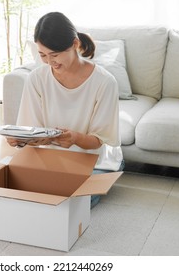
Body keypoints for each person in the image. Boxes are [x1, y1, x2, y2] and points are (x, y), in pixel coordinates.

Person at [7, 12, 124, 208]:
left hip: (96, 161)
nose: (49, 62)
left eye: (55, 54)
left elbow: (99, 141)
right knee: (22, 195)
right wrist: (20, 139)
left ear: (75, 44)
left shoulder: (104, 82)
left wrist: (75, 138)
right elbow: (32, 129)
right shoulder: (36, 79)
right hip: (53, 159)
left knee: (69, 204)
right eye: (42, 55)